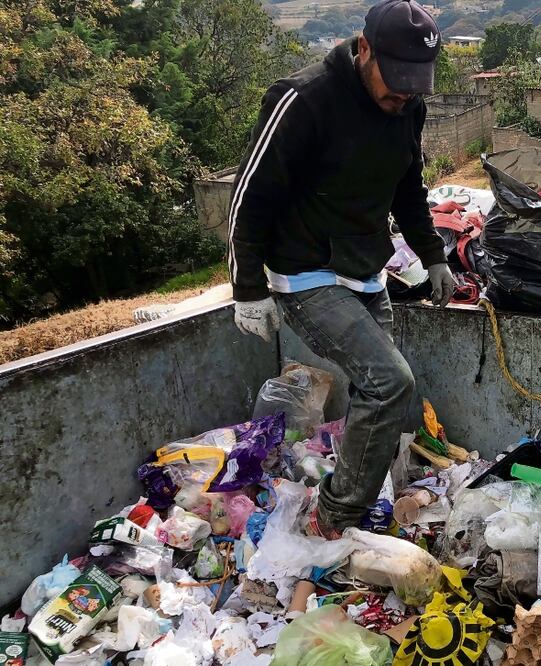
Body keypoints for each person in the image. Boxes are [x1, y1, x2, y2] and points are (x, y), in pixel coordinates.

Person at [228, 0, 455, 538]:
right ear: (364, 49)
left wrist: (433, 255)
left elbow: (408, 187)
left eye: (414, 87)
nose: (402, 97)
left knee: (373, 394)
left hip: (366, 270)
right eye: (395, 83)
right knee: (391, 383)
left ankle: (360, 498)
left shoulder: (408, 106)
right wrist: (248, 287)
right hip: (305, 273)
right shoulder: (304, 99)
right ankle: (334, 519)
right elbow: (249, 196)